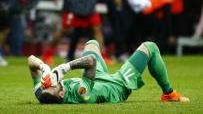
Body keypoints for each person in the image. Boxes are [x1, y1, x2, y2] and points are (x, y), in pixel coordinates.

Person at [28, 40, 189, 104]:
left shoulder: (42, 93)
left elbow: (30, 61)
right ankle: (168, 93)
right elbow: (90, 61)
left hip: (96, 78)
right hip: (115, 87)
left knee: (91, 43)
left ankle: (106, 64)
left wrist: (45, 68)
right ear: (62, 95)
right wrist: (63, 69)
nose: (53, 83)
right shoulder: (80, 93)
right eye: (55, 86)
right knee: (149, 47)